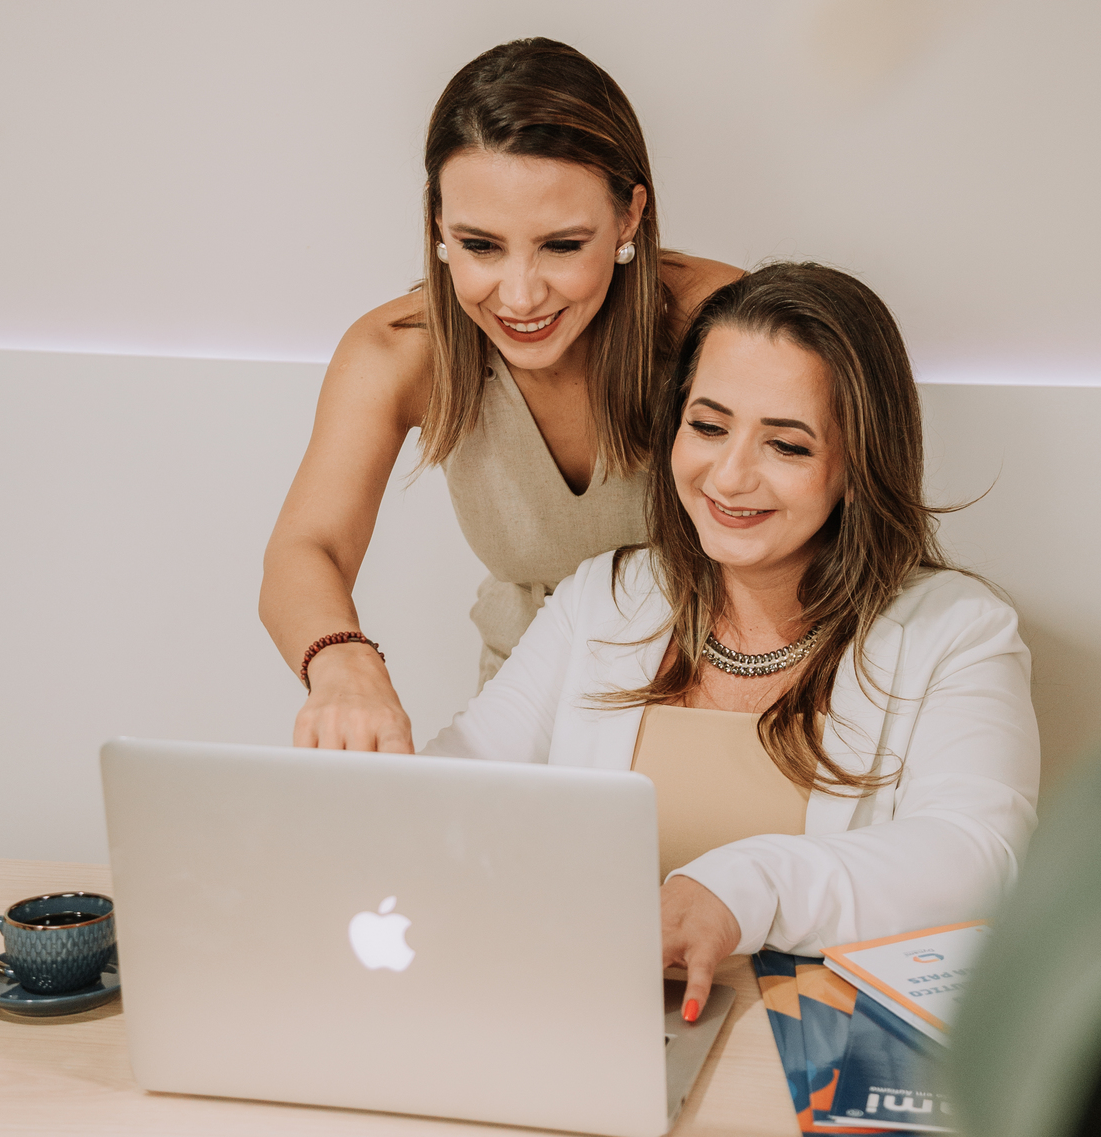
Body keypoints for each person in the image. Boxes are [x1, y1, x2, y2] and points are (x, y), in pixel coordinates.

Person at [421, 262, 1041, 1019]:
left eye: (787, 445)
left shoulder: (960, 630)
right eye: (708, 426)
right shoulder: (605, 596)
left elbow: (977, 861)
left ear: (856, 466)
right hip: (593, 1022)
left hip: (802, 1051)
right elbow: (456, 786)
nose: (729, 475)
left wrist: (738, 887)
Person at [260, 38, 742, 750]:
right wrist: (343, 661)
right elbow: (308, 547)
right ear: (438, 225)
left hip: (716, 702)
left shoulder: (724, 326)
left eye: (561, 245)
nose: (519, 296)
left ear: (630, 218)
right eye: (481, 245)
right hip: (521, 711)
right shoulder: (398, 350)